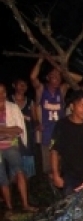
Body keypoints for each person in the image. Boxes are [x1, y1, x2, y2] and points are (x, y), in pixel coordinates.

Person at [0, 83, 36, 212]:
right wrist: (9, 130)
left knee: (20, 172)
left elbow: (18, 129)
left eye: (3, 91)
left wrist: (3, 129)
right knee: (2, 177)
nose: (1, 95)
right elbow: (13, 129)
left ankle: (25, 204)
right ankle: (9, 207)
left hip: (11, 146)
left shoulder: (12, 108)